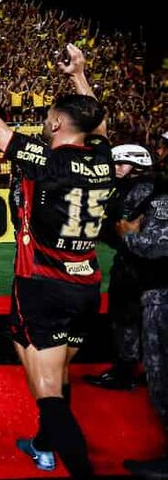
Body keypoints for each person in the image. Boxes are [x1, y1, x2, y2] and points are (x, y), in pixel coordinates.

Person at [0, 36, 121, 480]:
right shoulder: (103, 159)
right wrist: (79, 74)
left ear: (56, 124)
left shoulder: (45, 158)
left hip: (43, 283)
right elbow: (98, 124)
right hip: (84, 283)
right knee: (31, 348)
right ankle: (43, 438)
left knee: (49, 385)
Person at [85, 144, 155, 389]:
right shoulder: (131, 187)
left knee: (128, 317)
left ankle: (126, 373)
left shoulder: (142, 191)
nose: (115, 168)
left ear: (137, 166)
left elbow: (124, 230)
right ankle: (139, 370)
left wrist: (106, 232)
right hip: (135, 265)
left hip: (138, 267)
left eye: (121, 163)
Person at [116, 175, 168, 480]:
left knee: (160, 374)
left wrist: (127, 234)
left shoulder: (161, 196)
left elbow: (154, 246)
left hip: (162, 294)